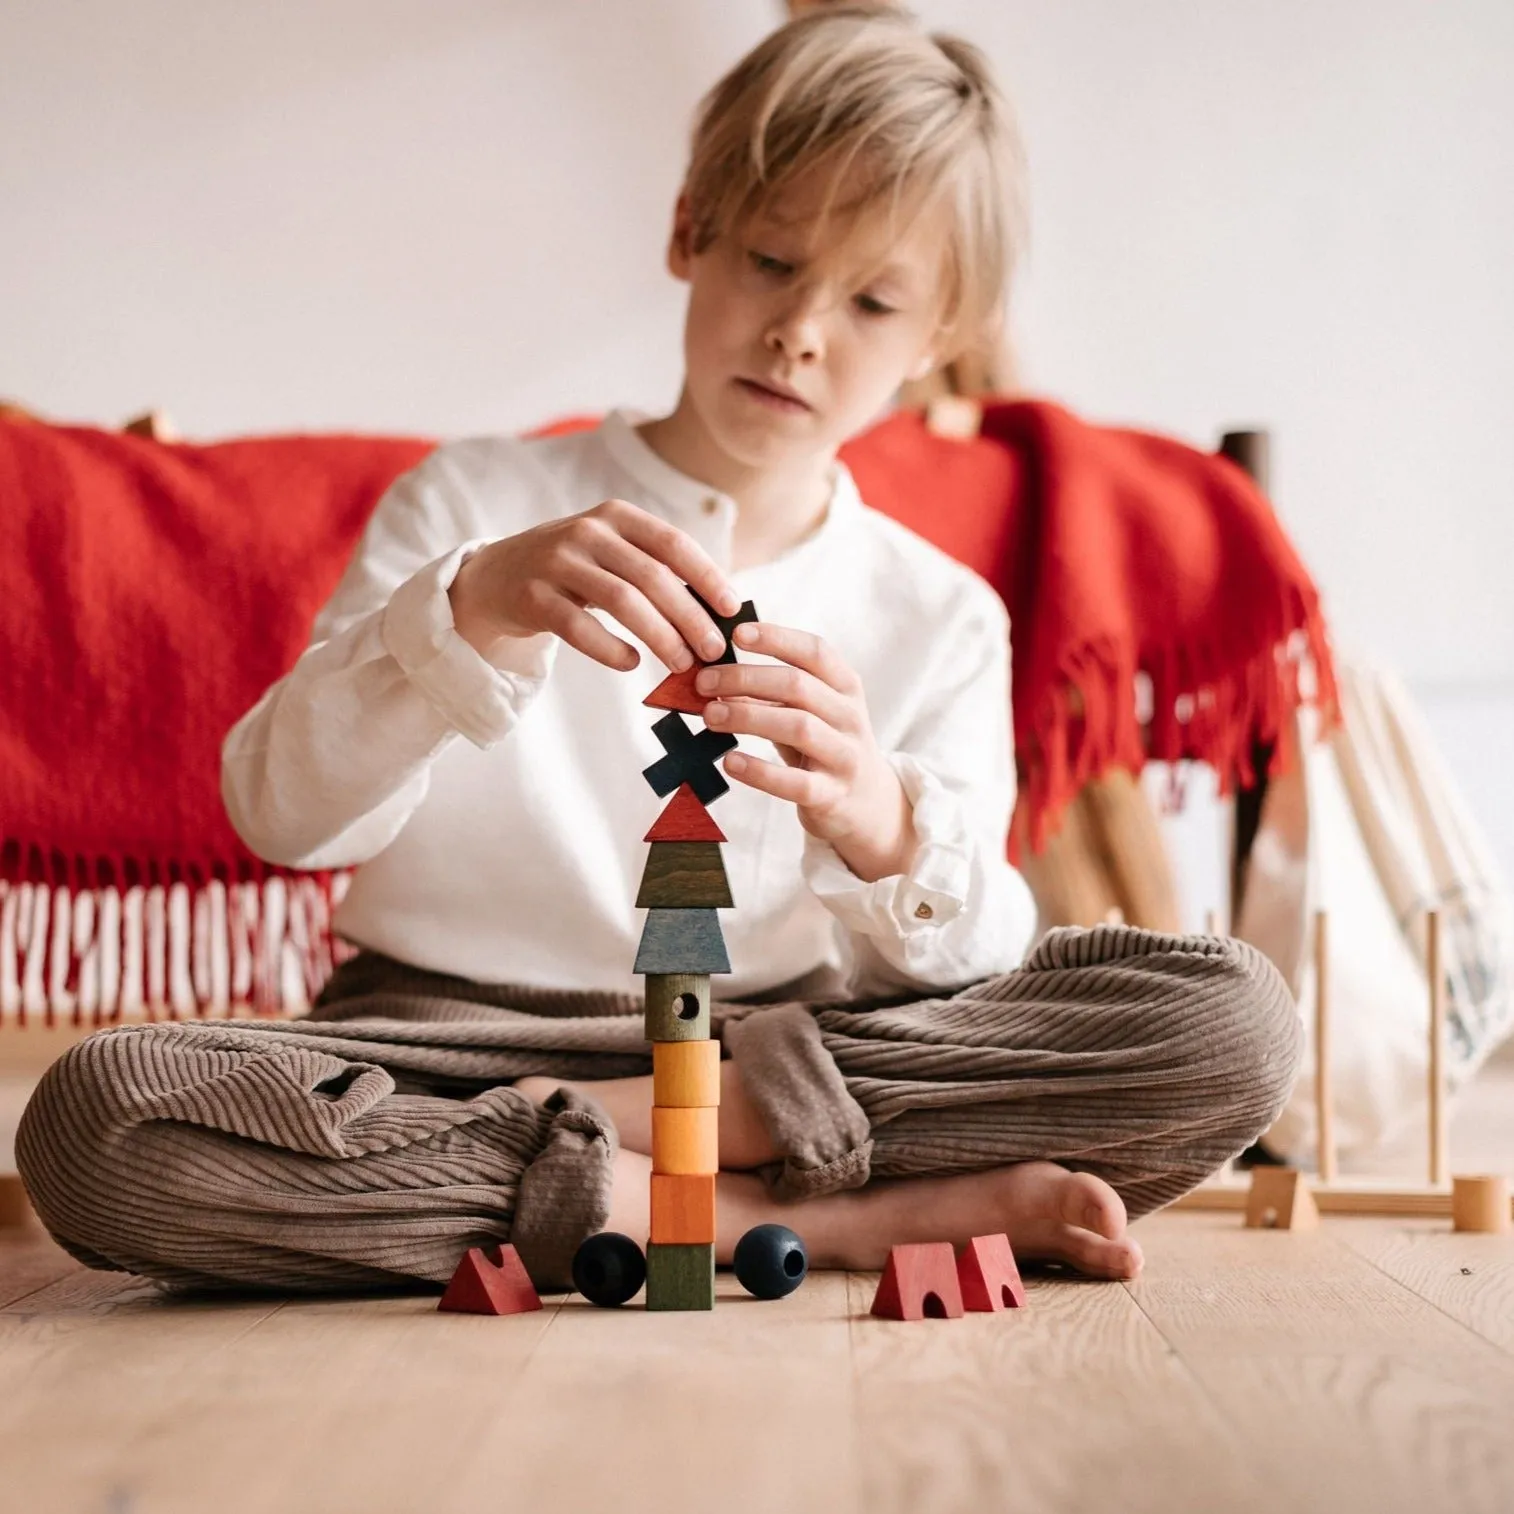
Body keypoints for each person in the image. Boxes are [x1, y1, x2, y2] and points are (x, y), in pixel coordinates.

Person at [16, 5, 1301, 1295]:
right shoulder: (467, 504)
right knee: (99, 1122)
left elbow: (967, 965)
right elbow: (280, 814)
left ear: (939, 338)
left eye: (871, 301)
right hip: (437, 1047)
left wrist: (877, 814)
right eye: (771, 260)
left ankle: (632, 1154)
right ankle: (801, 1218)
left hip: (782, 1054)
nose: (803, 328)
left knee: (1234, 1026)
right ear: (689, 231)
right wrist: (465, 615)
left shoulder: (945, 612)